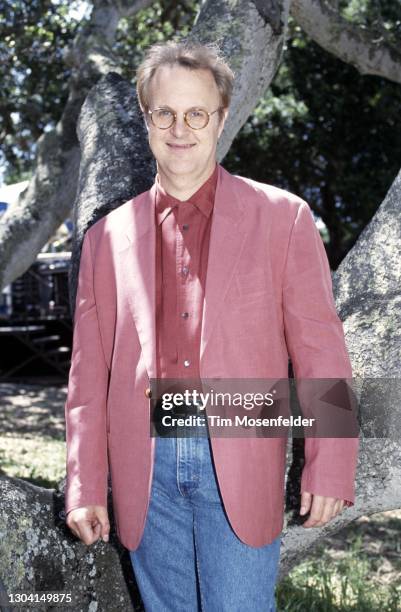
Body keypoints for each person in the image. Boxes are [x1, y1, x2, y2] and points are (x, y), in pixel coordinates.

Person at [64, 40, 359, 611]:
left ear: (221, 118)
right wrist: (83, 483)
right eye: (165, 112)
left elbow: (321, 351)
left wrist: (331, 465)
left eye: (197, 112)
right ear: (146, 118)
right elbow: (86, 378)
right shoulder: (104, 240)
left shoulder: (284, 218)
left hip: (243, 449)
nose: (181, 128)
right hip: (142, 464)